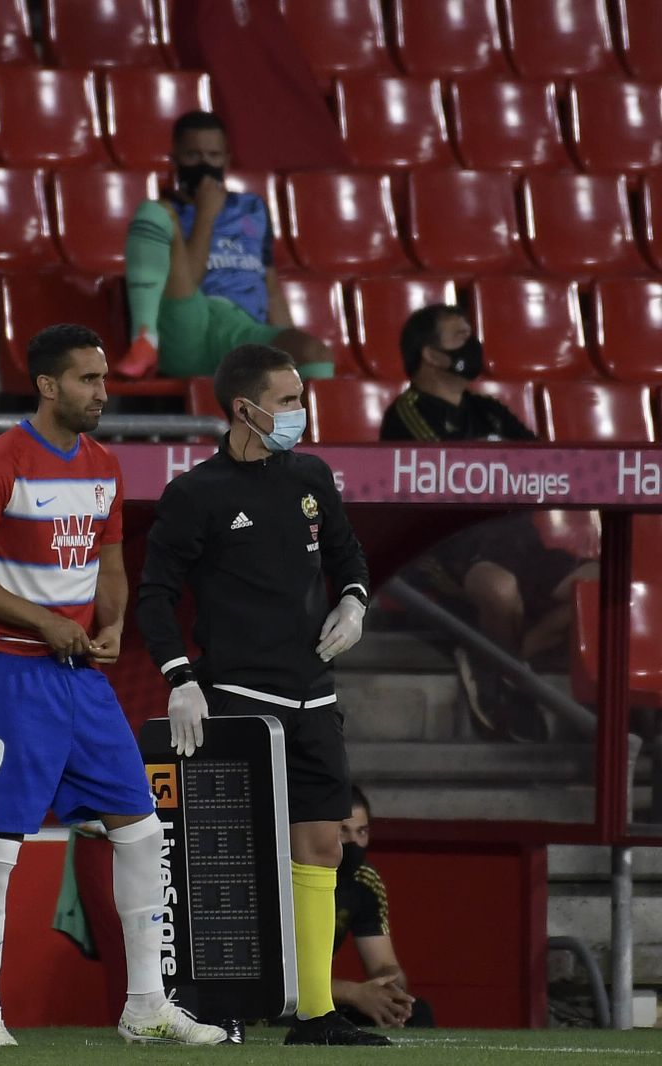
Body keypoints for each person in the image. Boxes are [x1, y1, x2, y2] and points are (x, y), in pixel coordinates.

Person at [0, 324, 228, 1049]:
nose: (103, 392)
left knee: (141, 831)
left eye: (104, 379)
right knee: (0, 842)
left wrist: (116, 622)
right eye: (88, 380)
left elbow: (111, 562)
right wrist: (44, 622)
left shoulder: (104, 465)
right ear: (46, 385)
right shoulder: (1, 460)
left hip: (81, 680)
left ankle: (144, 1006)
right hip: (10, 673)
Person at [135, 343, 386, 1046]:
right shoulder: (196, 494)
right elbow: (154, 596)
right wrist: (181, 677)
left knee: (322, 845)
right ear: (244, 409)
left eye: (300, 397)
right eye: (288, 400)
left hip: (311, 693)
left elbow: (346, 554)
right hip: (237, 697)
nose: (300, 412)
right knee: (229, 858)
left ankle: (314, 1014)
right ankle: (215, 1006)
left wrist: (356, 601)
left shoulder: (311, 476)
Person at [379, 304, 596, 742]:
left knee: (599, 583)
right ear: (433, 356)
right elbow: (454, 483)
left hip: (520, 540)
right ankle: (509, 682)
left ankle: (496, 665)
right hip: (452, 546)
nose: (473, 345)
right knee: (498, 590)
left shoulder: (490, 410)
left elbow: (544, 466)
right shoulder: (407, 414)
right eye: (460, 337)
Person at [118, 111, 330, 381]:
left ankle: (308, 423)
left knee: (314, 352)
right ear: (174, 160)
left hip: (243, 329)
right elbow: (189, 282)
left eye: (213, 155)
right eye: (192, 155)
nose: (204, 164)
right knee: (153, 212)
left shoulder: (252, 209)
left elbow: (272, 289)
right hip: (189, 327)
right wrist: (205, 216)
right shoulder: (167, 215)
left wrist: (287, 339)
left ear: (226, 160)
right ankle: (144, 342)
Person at [332, 785, 435, 1030]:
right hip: (279, 1006)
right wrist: (354, 993)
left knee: (416, 1014)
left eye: (362, 832)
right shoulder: (293, 878)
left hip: (325, 1002)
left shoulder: (364, 880)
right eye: (343, 831)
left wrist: (390, 985)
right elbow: (280, 981)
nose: (354, 842)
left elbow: (382, 964)